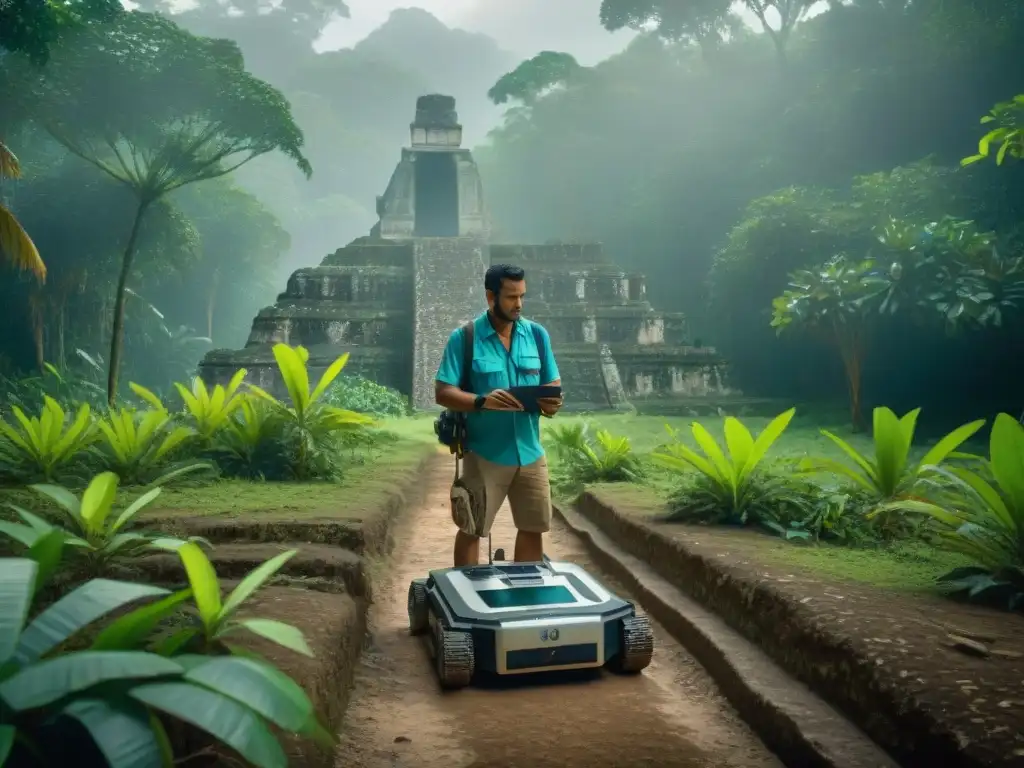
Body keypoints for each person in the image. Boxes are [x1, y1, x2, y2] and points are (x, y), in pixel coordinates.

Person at [435, 263, 563, 567]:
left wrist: (551, 402)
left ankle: (527, 597)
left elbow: (552, 383)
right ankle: (466, 602)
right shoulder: (464, 338)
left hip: (530, 452)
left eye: (522, 296)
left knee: (533, 528)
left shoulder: (537, 335)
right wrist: (482, 401)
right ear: (490, 297)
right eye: (510, 297)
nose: (518, 304)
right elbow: (443, 392)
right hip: (484, 455)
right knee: (471, 529)